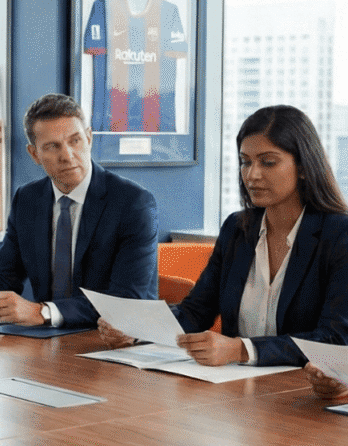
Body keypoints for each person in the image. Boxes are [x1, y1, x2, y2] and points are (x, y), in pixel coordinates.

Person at [98, 105, 348, 366]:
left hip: (301, 392)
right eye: (246, 162)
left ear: (304, 166)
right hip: (234, 391)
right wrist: (137, 331)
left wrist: (243, 350)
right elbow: (196, 312)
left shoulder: (339, 235)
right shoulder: (238, 228)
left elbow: (335, 338)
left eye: (268, 162)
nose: (252, 175)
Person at [0, 93, 158, 328]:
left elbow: (127, 299)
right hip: (50, 340)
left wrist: (43, 312)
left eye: (75, 140)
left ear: (89, 138)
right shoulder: (27, 200)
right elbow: (4, 275)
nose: (67, 156)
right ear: (34, 154)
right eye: (52, 146)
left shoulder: (133, 203)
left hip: (113, 340)